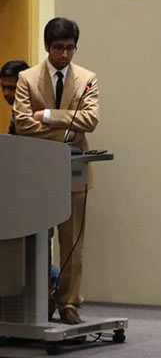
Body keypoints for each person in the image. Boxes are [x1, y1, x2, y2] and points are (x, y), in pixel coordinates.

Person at [13, 17, 99, 325]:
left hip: (73, 172)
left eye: (70, 48)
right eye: (59, 48)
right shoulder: (27, 78)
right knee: (37, 239)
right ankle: (41, 298)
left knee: (72, 241)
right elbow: (23, 124)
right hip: (36, 172)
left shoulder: (87, 79)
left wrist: (47, 115)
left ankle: (69, 302)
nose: (65, 55)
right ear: (48, 47)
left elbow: (89, 120)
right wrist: (66, 132)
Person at [1, 60, 29, 134]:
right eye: (3, 87)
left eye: (11, 88)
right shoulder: (17, 109)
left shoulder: (35, 111)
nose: (5, 93)